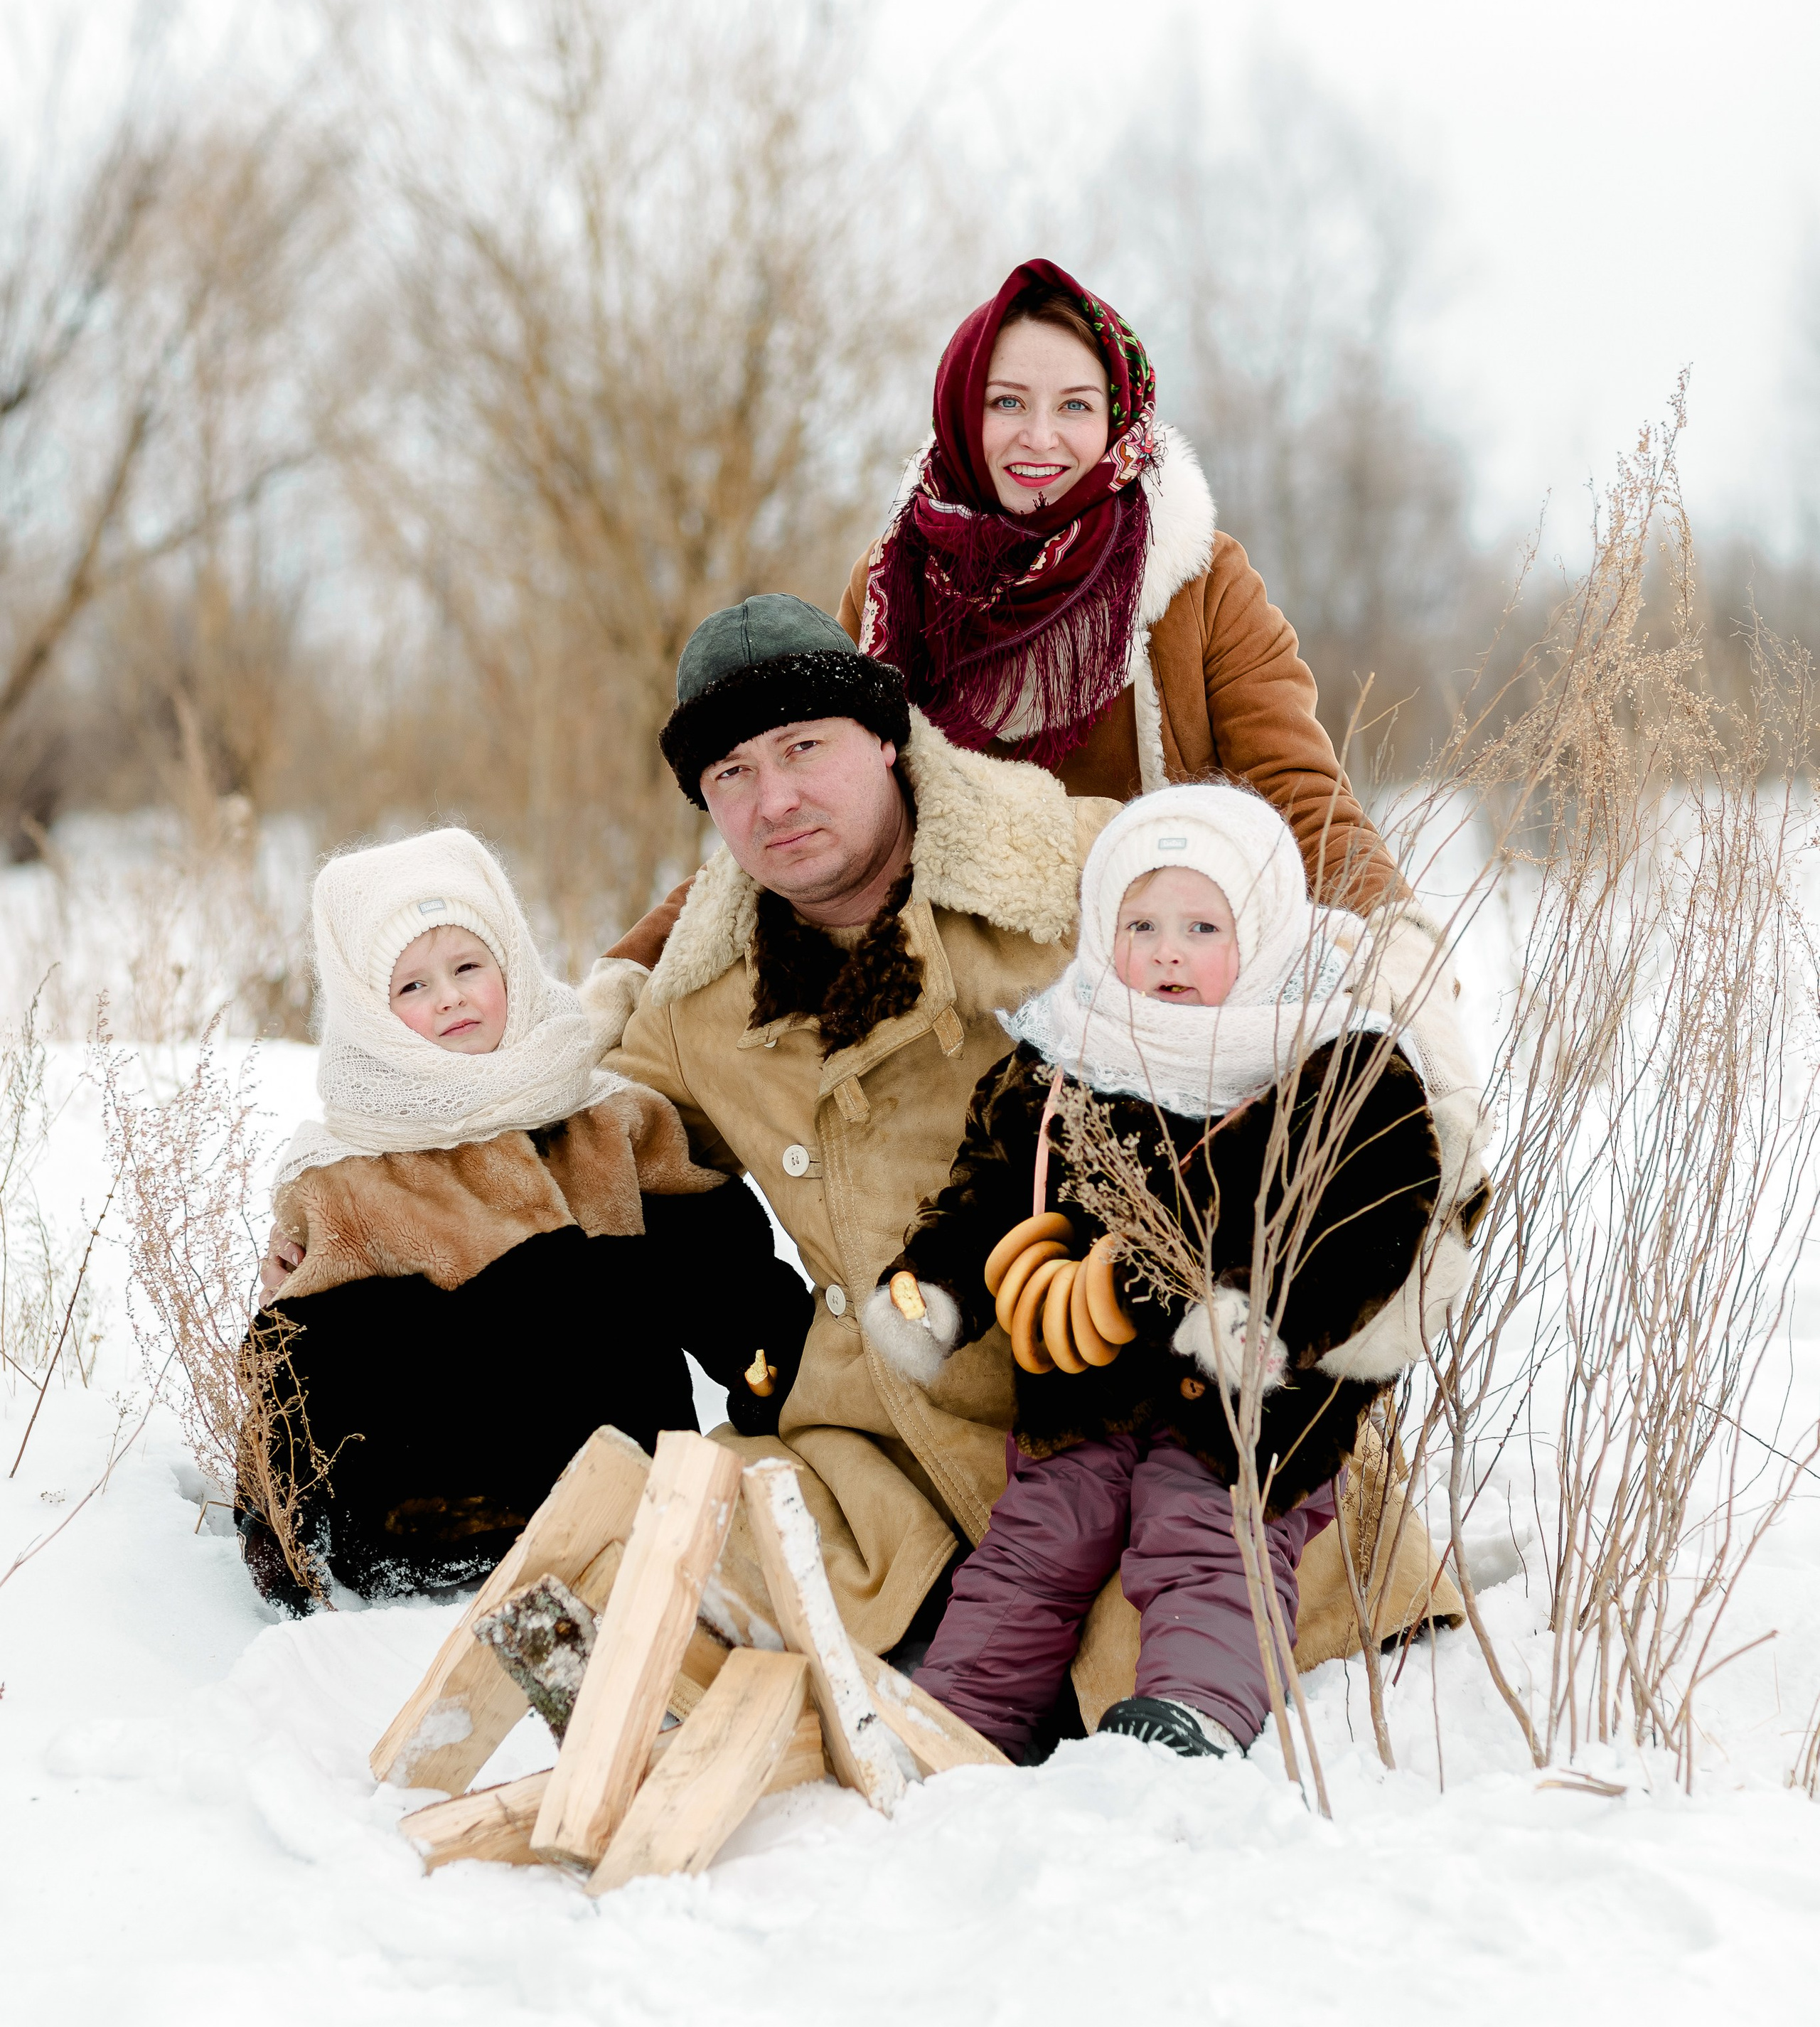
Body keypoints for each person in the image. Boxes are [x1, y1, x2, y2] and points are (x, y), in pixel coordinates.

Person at [594, 594, 1465, 1684]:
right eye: (730, 774)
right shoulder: (696, 1007)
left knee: (1177, 1661)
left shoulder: (1086, 872)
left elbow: (1308, 1012)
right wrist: (765, 1347)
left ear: (884, 736)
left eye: (803, 747)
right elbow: (613, 1165)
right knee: (647, 1574)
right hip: (888, 1454)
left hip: (1172, 1405)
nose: (775, 800)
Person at [860, 782, 1486, 1763]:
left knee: (1207, 1525)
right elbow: (989, 1190)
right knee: (1037, 1537)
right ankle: (955, 1721)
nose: (1166, 953)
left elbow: (1369, 1216)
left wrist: (1270, 1312)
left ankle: (1195, 1711)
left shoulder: (1332, 1060)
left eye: (1202, 927)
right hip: (1087, 1373)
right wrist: (934, 1282)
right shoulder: (1066, 1053)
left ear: (1263, 932)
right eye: (1140, 926)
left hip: (1250, 1395)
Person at [241, 828, 810, 1610]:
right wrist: (277, 1526)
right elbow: (304, 1376)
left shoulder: (607, 1122)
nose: (449, 997)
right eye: (412, 987)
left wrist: (786, 1379)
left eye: (468, 967)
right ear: (369, 1016)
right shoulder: (347, 1177)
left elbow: (720, 1275)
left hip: (631, 1499)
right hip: (439, 1536)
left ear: (511, 961)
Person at [842, 255, 1398, 899]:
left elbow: (1301, 800)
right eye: (1007, 401)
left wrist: (1393, 936)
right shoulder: (890, 585)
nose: (1040, 437)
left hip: (1158, 951)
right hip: (954, 956)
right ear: (960, 411)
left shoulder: (1201, 579)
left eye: (1075, 405)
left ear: (1115, 420)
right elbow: (834, 803)